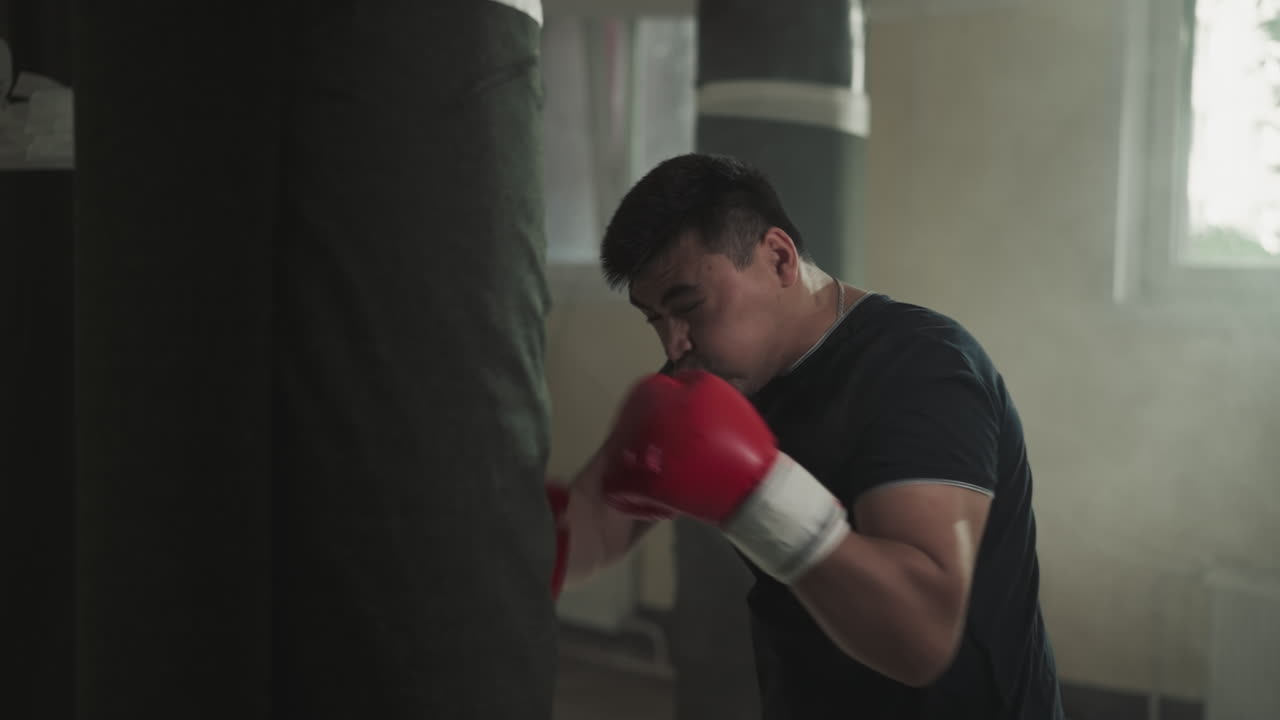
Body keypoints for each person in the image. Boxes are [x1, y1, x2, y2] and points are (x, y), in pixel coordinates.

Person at [546, 153, 1064, 719]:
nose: (674, 344)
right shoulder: (701, 385)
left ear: (777, 258)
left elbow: (921, 635)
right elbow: (593, 522)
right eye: (656, 320)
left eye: (689, 307)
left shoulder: (922, 371)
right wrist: (489, 560)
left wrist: (759, 496)